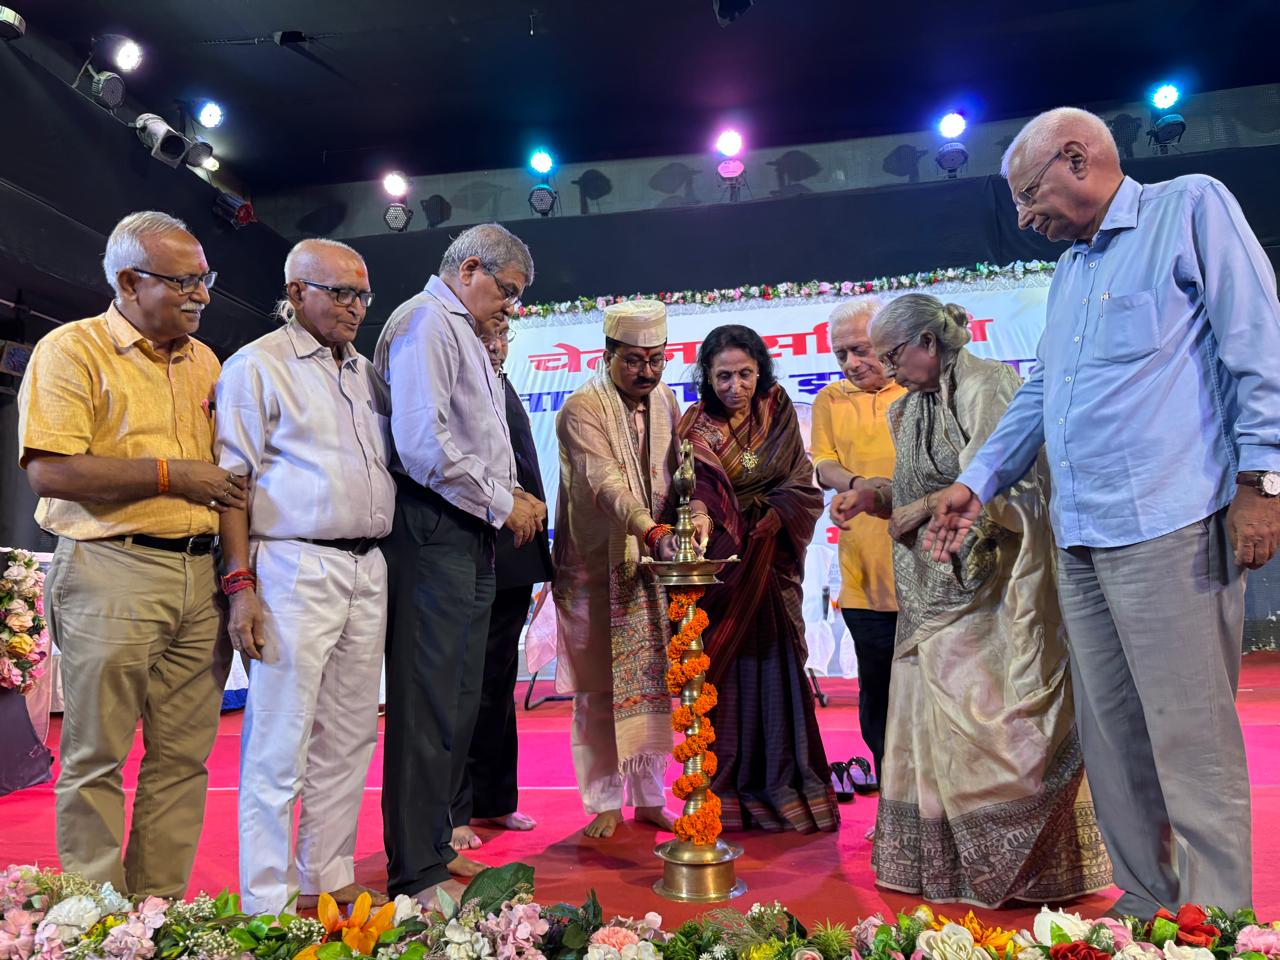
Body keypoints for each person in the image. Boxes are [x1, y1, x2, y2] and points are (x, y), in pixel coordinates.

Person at [924, 107, 1280, 916]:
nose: (1024, 218)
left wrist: (1264, 482)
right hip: (1080, 535)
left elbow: (1260, 346)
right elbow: (1042, 393)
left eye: (1028, 195)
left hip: (1172, 525)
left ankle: (1218, 922)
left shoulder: (1189, 207)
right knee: (1113, 739)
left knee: (1191, 736)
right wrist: (977, 480)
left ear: (1077, 158)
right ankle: (1149, 904)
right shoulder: (1072, 272)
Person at [831, 293, 1112, 907]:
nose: (886, 368)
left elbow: (1011, 486)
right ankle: (950, 868)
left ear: (929, 342)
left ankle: (1022, 871)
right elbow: (920, 486)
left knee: (999, 731)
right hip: (927, 593)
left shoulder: (988, 385)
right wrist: (876, 497)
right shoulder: (909, 409)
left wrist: (920, 508)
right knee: (934, 735)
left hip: (992, 593)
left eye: (891, 355)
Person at [16, 211, 240, 898]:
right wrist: (171, 476)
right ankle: (97, 919)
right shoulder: (71, 350)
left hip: (200, 573)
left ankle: (157, 914)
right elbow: (49, 471)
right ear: (128, 282)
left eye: (205, 279)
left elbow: (229, 480)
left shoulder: (207, 361)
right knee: (96, 759)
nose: (202, 295)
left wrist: (237, 579)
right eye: (184, 281)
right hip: (111, 569)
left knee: (183, 761)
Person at [215, 238, 395, 915]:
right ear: (296, 293)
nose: (355, 307)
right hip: (293, 562)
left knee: (350, 733)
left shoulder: (366, 374)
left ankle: (326, 872)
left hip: (367, 565)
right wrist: (241, 586)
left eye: (363, 295)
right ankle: (266, 899)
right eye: (340, 292)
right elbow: (232, 485)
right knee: (279, 738)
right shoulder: (256, 366)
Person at [374, 223, 547, 907]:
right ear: (470, 268)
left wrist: (505, 501)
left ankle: (438, 843)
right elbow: (423, 446)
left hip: (469, 532)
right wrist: (505, 501)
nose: (510, 306)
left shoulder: (464, 333)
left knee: (458, 698)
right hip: (432, 527)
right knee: (427, 703)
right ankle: (414, 869)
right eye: (507, 291)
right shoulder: (426, 322)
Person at [677, 324, 838, 833]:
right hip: (726, 569)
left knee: (777, 671)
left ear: (760, 371)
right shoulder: (695, 425)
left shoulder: (777, 407)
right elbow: (694, 493)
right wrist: (720, 521)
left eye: (745, 374)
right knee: (724, 678)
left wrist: (777, 512)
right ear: (707, 376)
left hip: (772, 561)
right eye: (723, 376)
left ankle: (785, 783)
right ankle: (723, 790)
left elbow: (799, 479)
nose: (735, 386)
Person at [552, 299, 696, 839]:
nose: (647, 371)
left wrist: (690, 516)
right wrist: (649, 529)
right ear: (608, 354)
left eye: (656, 359)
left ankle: (650, 797)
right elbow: (603, 481)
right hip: (594, 567)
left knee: (651, 680)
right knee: (598, 688)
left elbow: (680, 471)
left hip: (650, 566)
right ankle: (604, 801)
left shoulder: (666, 401)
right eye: (634, 360)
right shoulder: (581, 409)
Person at [452, 318, 553, 851]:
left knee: (497, 684)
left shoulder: (503, 386)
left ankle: (494, 800)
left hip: (515, 554)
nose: (495, 346)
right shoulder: (459, 389)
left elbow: (527, 472)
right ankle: (455, 810)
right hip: (470, 552)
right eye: (484, 338)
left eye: (501, 337)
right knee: (464, 687)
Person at [809, 299, 906, 795]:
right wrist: (858, 485)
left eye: (861, 350)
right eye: (841, 353)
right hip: (864, 580)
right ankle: (893, 805)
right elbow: (823, 462)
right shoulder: (830, 399)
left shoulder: (917, 388)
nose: (851, 363)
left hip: (928, 574)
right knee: (878, 699)